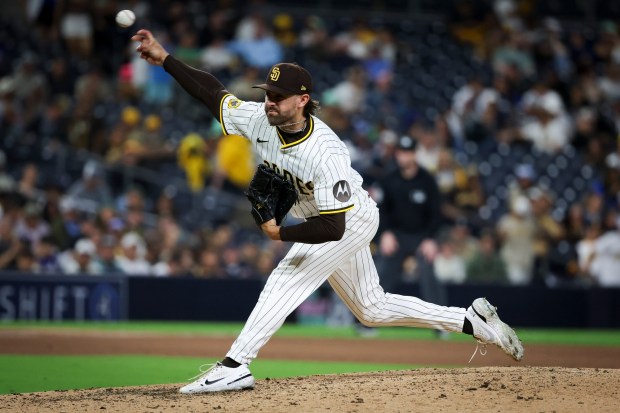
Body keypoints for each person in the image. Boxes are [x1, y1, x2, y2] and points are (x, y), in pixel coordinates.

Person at [132, 28, 524, 394]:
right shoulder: (259, 118)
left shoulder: (325, 153)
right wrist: (165, 57)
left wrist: (281, 234)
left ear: (302, 101)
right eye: (267, 93)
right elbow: (211, 93)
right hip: (322, 217)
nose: (269, 101)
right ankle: (472, 320)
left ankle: (236, 364)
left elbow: (334, 227)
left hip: (347, 220)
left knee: (287, 275)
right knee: (372, 308)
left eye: (278, 96)